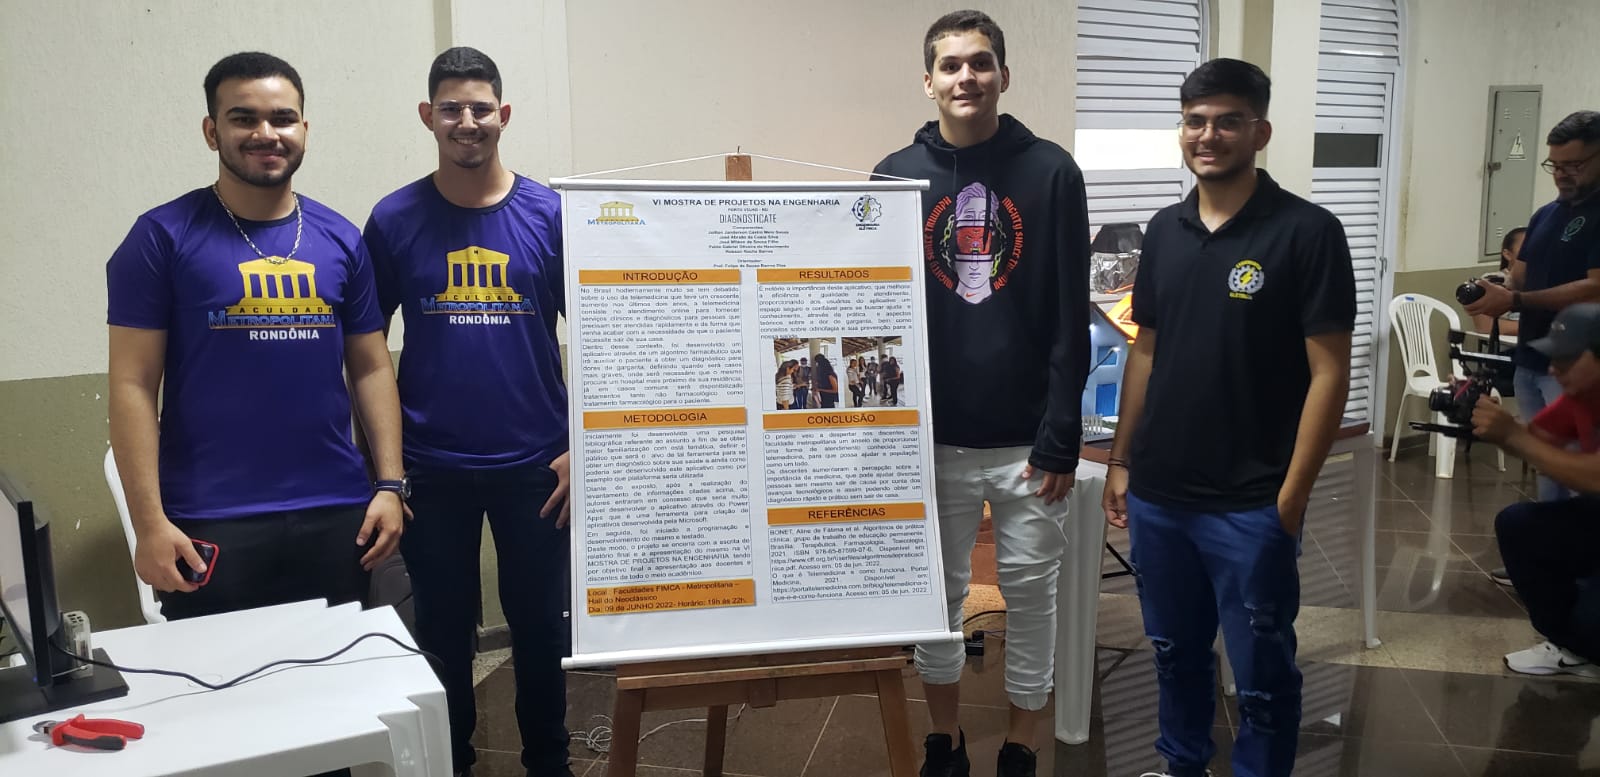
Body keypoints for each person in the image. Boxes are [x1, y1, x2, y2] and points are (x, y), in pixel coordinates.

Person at [1101, 59, 1355, 777]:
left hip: (1252, 501)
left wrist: (1292, 497)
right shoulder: (1165, 228)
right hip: (1161, 496)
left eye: (1227, 121)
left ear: (1259, 131)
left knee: (1262, 678)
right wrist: (1122, 459)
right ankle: (1182, 766)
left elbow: (1330, 373)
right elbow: (1146, 349)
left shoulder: (1307, 231)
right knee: (1175, 656)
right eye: (1195, 121)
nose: (1207, 135)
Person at [107, 52, 406, 624]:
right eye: (243, 118)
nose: (266, 133)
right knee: (222, 676)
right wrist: (149, 524)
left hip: (335, 511)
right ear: (211, 131)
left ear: (304, 130)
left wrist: (390, 485)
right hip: (210, 518)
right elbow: (132, 384)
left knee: (335, 674)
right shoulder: (161, 237)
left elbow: (370, 367)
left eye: (282, 118)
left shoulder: (342, 238)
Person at [872, 10, 1091, 777]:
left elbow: (1069, 313)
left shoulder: (1052, 172)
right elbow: (875, 310)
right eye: (951, 64)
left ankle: (1023, 740)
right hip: (928, 437)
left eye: (980, 62)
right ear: (927, 80)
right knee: (935, 596)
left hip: (1028, 439)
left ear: (1003, 75)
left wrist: (1061, 433)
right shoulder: (894, 176)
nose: (966, 76)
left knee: (1032, 593)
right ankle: (945, 735)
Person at [362, 47, 573, 777]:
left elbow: (605, 336)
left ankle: (549, 762)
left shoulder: (549, 215)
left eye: (480, 108)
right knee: (443, 634)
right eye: (451, 108)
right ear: (429, 116)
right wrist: (386, 471)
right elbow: (363, 350)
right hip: (431, 468)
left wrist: (585, 445)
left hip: (539, 466)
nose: (467, 121)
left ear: (503, 115)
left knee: (542, 628)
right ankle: (451, 762)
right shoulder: (393, 219)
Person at [1466, 111, 1600, 504]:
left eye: (1574, 165)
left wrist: (1516, 301)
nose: (1561, 175)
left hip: (1580, 369)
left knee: (1579, 471)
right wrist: (1493, 289)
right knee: (1547, 466)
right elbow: (1521, 278)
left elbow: (1596, 288)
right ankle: (1550, 536)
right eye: (1554, 165)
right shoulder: (1546, 214)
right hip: (1532, 357)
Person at [1472, 303, 1600, 678]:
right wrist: (1482, 416)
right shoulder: (1581, 396)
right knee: (1519, 525)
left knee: (1593, 621)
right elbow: (1536, 440)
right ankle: (1573, 647)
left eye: (1566, 360)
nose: (1553, 369)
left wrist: (1512, 435)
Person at [1471, 227, 1525, 338]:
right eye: (1526, 249)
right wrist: (1539, 328)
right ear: (1507, 254)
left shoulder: (1546, 284)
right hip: (1505, 345)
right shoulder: (1491, 281)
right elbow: (1485, 326)